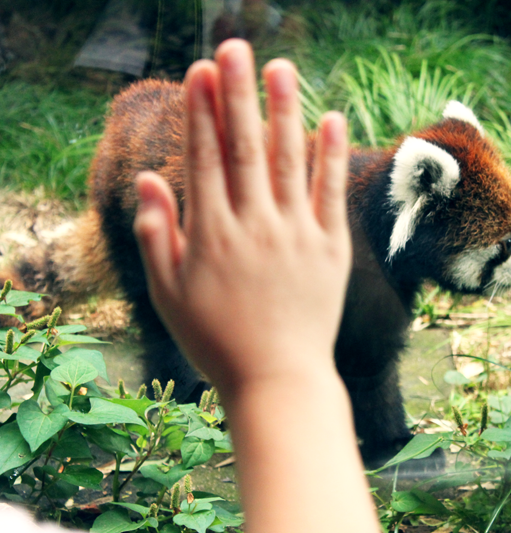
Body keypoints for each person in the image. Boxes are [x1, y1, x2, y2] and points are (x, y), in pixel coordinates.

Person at [1, 39, 379, 532]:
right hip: (129, 182)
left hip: (146, 157)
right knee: (158, 322)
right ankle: (173, 403)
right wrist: (282, 375)